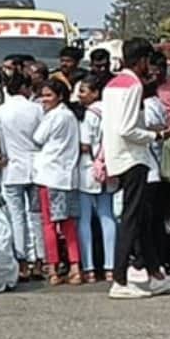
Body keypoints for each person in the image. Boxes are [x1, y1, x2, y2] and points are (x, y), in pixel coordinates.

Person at [103, 40, 170, 298]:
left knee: (142, 218)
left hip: (118, 154)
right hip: (132, 157)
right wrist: (155, 136)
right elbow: (127, 128)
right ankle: (120, 280)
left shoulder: (113, 84)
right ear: (143, 60)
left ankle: (156, 275)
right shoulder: (133, 85)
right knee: (132, 218)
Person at [0, 74, 45, 277]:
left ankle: (22, 261)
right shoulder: (37, 109)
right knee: (36, 216)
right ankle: (39, 260)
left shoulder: (1, 111)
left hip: (12, 168)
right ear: (24, 88)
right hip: (35, 166)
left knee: (17, 217)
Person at [31, 80, 84, 285]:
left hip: (49, 175)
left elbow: (38, 137)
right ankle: (75, 267)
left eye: (48, 95)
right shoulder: (71, 116)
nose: (44, 100)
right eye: (43, 95)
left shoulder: (53, 116)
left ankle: (53, 268)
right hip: (67, 177)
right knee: (69, 225)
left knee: (49, 225)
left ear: (59, 96)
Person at [75, 75, 117, 282]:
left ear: (95, 92)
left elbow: (85, 144)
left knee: (84, 219)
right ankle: (110, 266)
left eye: (83, 91)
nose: (79, 95)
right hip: (109, 167)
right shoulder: (112, 110)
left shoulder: (90, 114)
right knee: (107, 216)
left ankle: (89, 267)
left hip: (88, 168)